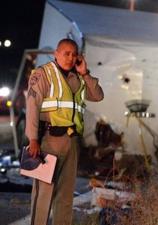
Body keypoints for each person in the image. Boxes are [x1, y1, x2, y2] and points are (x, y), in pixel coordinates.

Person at [25, 38, 104, 225]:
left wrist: (85, 73)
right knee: (43, 195)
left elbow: (98, 96)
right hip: (48, 142)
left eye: (73, 54)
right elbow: (32, 107)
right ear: (56, 53)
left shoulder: (78, 77)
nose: (70, 58)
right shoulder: (43, 74)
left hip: (72, 143)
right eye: (66, 53)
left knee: (66, 197)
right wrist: (33, 139)